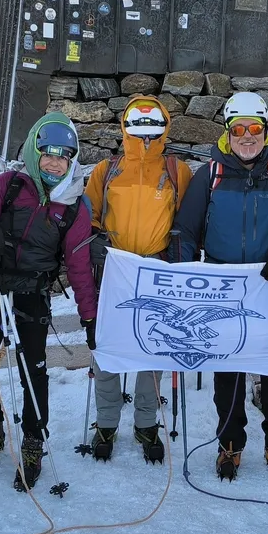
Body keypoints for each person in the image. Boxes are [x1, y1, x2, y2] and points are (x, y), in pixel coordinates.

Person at [175, 91, 268, 484]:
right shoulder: (210, 175)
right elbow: (186, 229)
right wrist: (185, 276)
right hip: (222, 285)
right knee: (229, 375)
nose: (247, 136)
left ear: (266, 130)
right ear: (227, 132)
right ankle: (230, 444)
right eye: (239, 129)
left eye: (255, 128)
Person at [0, 112, 98, 491]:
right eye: (48, 154)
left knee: (33, 368)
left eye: (63, 157)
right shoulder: (8, 186)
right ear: (35, 152)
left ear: (72, 160)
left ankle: (34, 440)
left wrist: (89, 317)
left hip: (32, 292)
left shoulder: (74, 206)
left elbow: (79, 267)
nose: (54, 163)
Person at [83, 95, 193, 463]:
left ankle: (146, 421)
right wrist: (95, 242)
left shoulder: (177, 171)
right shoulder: (107, 170)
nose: (145, 137)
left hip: (156, 268)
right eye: (138, 128)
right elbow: (89, 216)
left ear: (164, 129)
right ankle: (106, 421)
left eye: (153, 129)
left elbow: (188, 221)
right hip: (113, 269)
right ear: (126, 128)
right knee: (108, 345)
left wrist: (180, 257)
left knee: (153, 344)